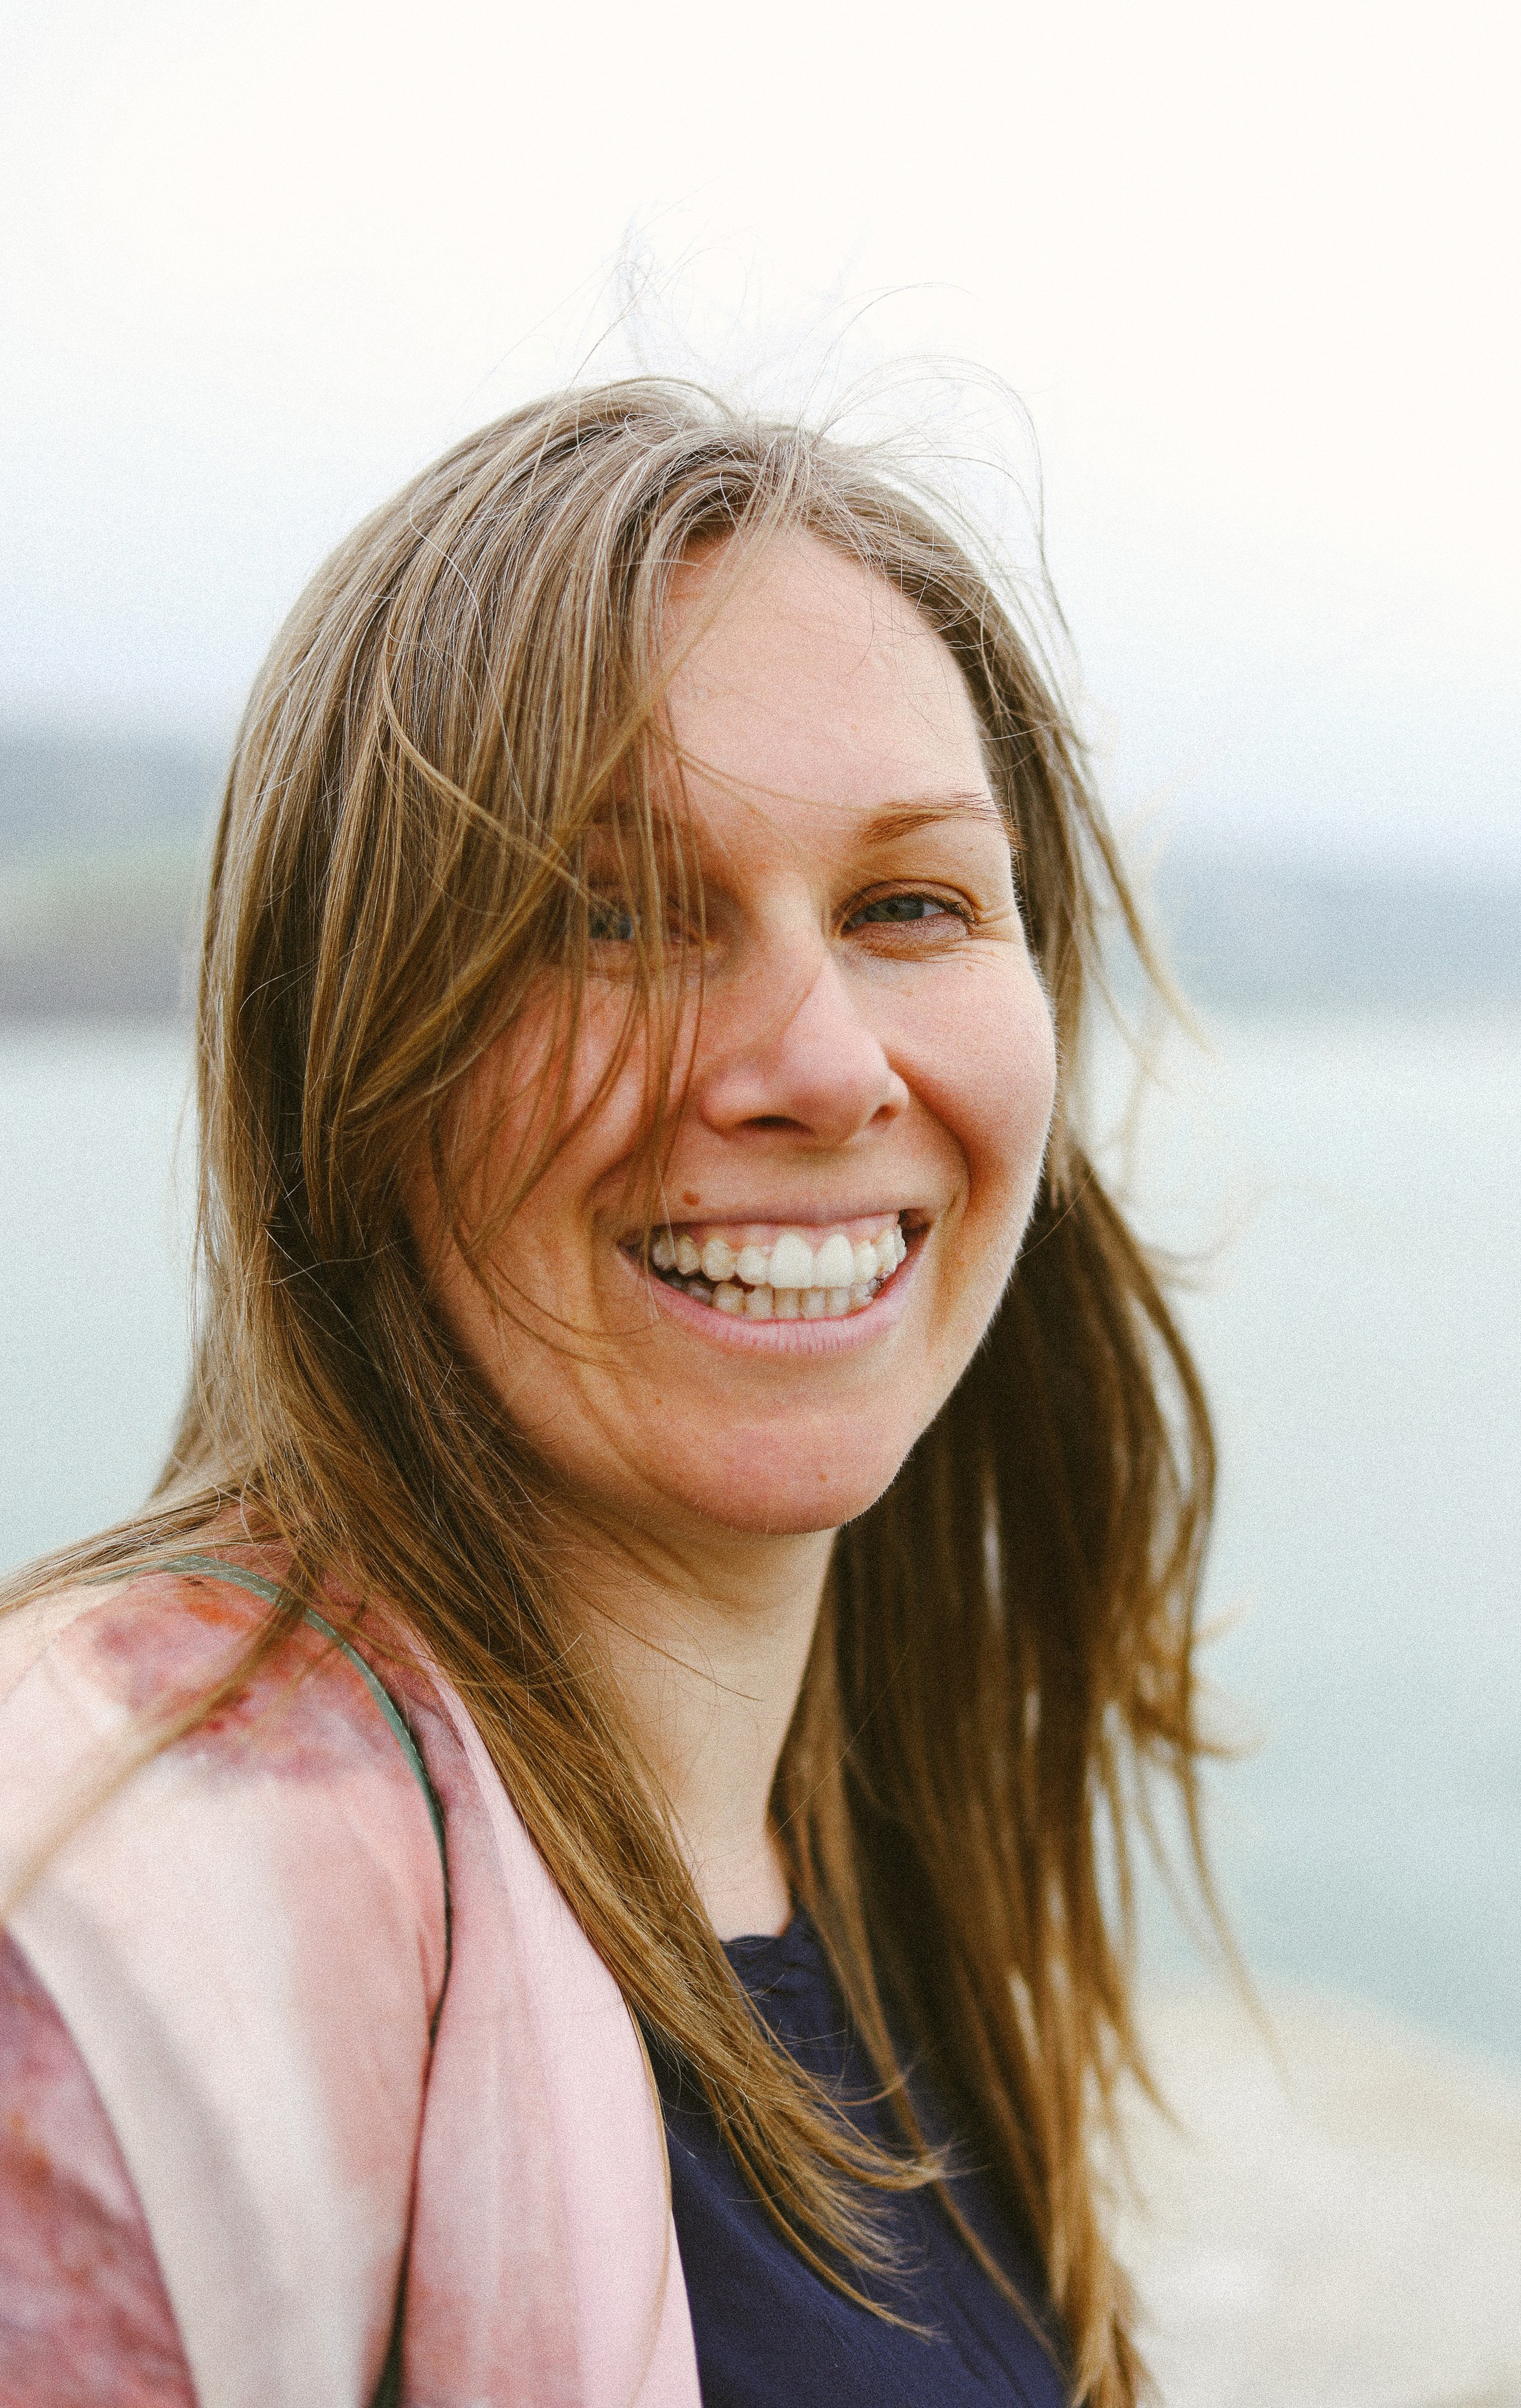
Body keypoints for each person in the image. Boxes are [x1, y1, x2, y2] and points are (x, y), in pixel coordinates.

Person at [0, 381, 1215, 2408]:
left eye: (910, 904)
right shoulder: (128, 1905)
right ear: (346, 1062)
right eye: (609, 915)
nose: (822, 1065)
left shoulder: (890, 1843)